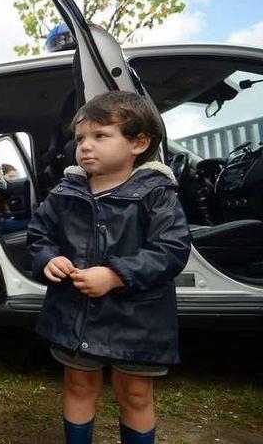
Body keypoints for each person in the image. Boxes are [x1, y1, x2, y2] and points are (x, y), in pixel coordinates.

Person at [27, 91, 191, 444]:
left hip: (137, 319)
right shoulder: (64, 193)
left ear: (139, 142)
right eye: (81, 138)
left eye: (100, 136)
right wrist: (48, 259)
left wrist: (116, 275)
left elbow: (172, 249)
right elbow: (39, 236)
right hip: (75, 314)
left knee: (134, 392)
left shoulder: (157, 194)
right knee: (79, 384)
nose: (85, 146)